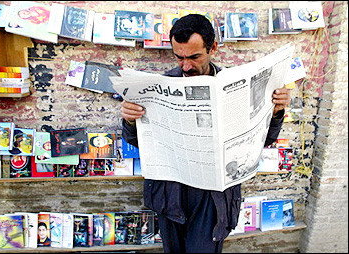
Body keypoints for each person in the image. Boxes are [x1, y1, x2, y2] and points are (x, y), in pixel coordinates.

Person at [120, 14, 290, 253]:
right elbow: (135, 142)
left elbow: (265, 140)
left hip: (213, 198)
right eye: (179, 57)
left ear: (213, 48)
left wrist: (277, 111)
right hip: (171, 193)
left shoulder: (235, 86)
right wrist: (129, 120)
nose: (186, 66)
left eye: (194, 57)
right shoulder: (158, 86)